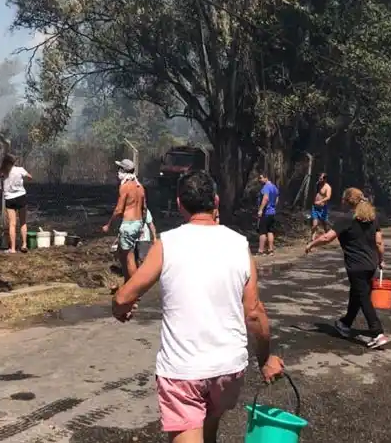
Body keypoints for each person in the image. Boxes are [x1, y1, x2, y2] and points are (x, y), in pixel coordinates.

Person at [112, 171, 285, 442]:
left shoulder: (167, 244)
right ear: (215, 201)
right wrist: (265, 359)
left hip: (183, 373)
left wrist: (119, 308)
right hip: (228, 370)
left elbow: (124, 298)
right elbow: (254, 312)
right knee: (209, 428)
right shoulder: (239, 245)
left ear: (180, 203)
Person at [305, 187, 391, 349]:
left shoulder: (346, 219)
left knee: (363, 297)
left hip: (356, 266)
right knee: (357, 294)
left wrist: (312, 243)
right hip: (370, 264)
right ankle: (345, 324)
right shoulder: (371, 218)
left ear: (346, 201)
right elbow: (379, 242)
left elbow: (327, 237)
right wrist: (381, 260)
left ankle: (377, 332)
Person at [103, 159, 148, 291]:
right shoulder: (140, 187)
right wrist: (141, 225)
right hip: (138, 223)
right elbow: (144, 208)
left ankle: (134, 289)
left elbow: (119, 209)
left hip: (129, 223)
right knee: (123, 254)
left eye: (120, 169)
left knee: (128, 258)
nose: (118, 172)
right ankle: (128, 285)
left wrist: (109, 224)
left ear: (123, 171)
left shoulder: (125, 186)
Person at [0, 154, 32, 253]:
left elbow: (0, 185)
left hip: (9, 198)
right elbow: (30, 177)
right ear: (14, 161)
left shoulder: (2, 172)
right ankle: (24, 244)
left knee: (12, 224)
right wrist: (24, 179)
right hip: (21, 196)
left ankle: (12, 249)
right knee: (23, 222)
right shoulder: (20, 169)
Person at [256, 173, 279, 255]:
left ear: (266, 178)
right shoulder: (274, 187)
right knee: (270, 231)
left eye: (260, 178)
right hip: (272, 212)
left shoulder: (266, 187)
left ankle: (261, 250)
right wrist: (273, 207)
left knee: (262, 232)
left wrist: (261, 210)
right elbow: (277, 199)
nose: (259, 180)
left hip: (266, 212)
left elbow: (265, 198)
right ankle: (271, 250)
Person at [311, 173, 332, 241]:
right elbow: (315, 193)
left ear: (325, 179)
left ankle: (328, 236)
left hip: (323, 208)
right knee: (315, 225)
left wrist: (320, 201)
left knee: (325, 224)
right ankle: (312, 240)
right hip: (315, 207)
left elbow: (328, 197)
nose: (320, 180)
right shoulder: (317, 184)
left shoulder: (328, 187)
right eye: (319, 178)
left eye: (321, 179)